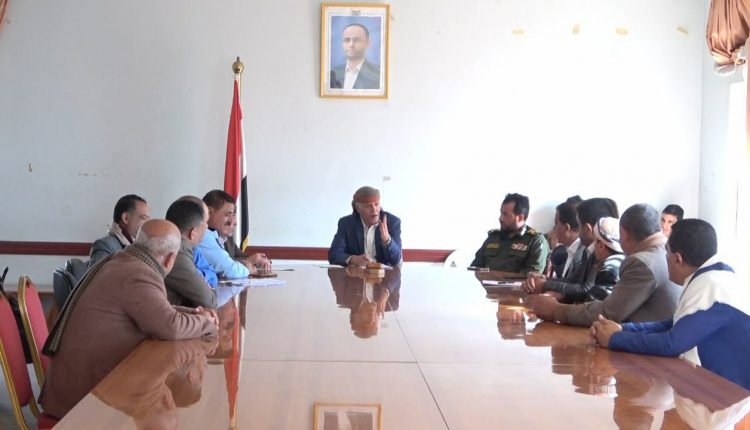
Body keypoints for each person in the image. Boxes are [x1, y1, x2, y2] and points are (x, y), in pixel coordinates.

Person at [40, 219, 219, 419]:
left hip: (77, 385)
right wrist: (207, 323)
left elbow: (158, 309)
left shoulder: (125, 260)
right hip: (80, 404)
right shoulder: (138, 274)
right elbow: (171, 327)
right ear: (170, 259)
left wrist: (194, 314)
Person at [591, 219, 750, 390]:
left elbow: (672, 344)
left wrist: (614, 339)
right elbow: (673, 324)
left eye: (666, 251)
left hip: (736, 396)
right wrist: (621, 329)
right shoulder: (714, 276)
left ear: (677, 259)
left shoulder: (710, 285)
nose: (664, 257)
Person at [528, 204, 681, 326]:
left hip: (648, 351)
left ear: (624, 234)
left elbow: (608, 313)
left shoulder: (641, 262)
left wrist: (555, 310)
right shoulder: (668, 251)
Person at [523, 198, 619, 301]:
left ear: (588, 229)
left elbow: (585, 290)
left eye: (579, 225)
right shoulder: (589, 251)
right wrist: (545, 281)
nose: (577, 230)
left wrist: (545, 286)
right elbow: (573, 280)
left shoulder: (605, 255)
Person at [471, 193, 549, 276]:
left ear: (520, 218)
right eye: (501, 213)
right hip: (485, 283)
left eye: (505, 214)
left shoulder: (535, 240)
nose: (500, 218)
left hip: (514, 284)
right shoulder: (493, 237)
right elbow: (475, 267)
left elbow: (532, 276)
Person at [197, 190, 270, 279]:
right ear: (209, 213)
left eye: (234, 216)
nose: (233, 222)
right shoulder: (202, 237)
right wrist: (248, 262)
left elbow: (238, 257)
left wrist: (257, 259)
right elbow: (228, 268)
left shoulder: (226, 238)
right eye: (228, 215)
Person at [328, 186, 402, 267]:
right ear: (358, 208)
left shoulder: (392, 222)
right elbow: (334, 255)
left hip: (384, 273)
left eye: (376, 204)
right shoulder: (346, 223)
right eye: (368, 206)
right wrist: (352, 259)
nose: (374, 210)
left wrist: (387, 240)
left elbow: (396, 260)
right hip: (356, 273)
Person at [164, 198, 218, 309]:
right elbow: (210, 302)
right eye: (205, 223)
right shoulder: (177, 254)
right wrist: (207, 287)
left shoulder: (173, 245)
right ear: (193, 233)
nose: (207, 227)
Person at [89, 194, 150, 266]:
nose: (147, 223)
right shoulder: (105, 246)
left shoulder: (141, 247)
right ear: (125, 218)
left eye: (148, 219)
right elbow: (98, 274)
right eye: (144, 218)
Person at [330, 23, 380, 90]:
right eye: (347, 40)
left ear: (368, 43)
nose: (351, 44)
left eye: (356, 40)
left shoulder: (378, 73)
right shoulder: (333, 73)